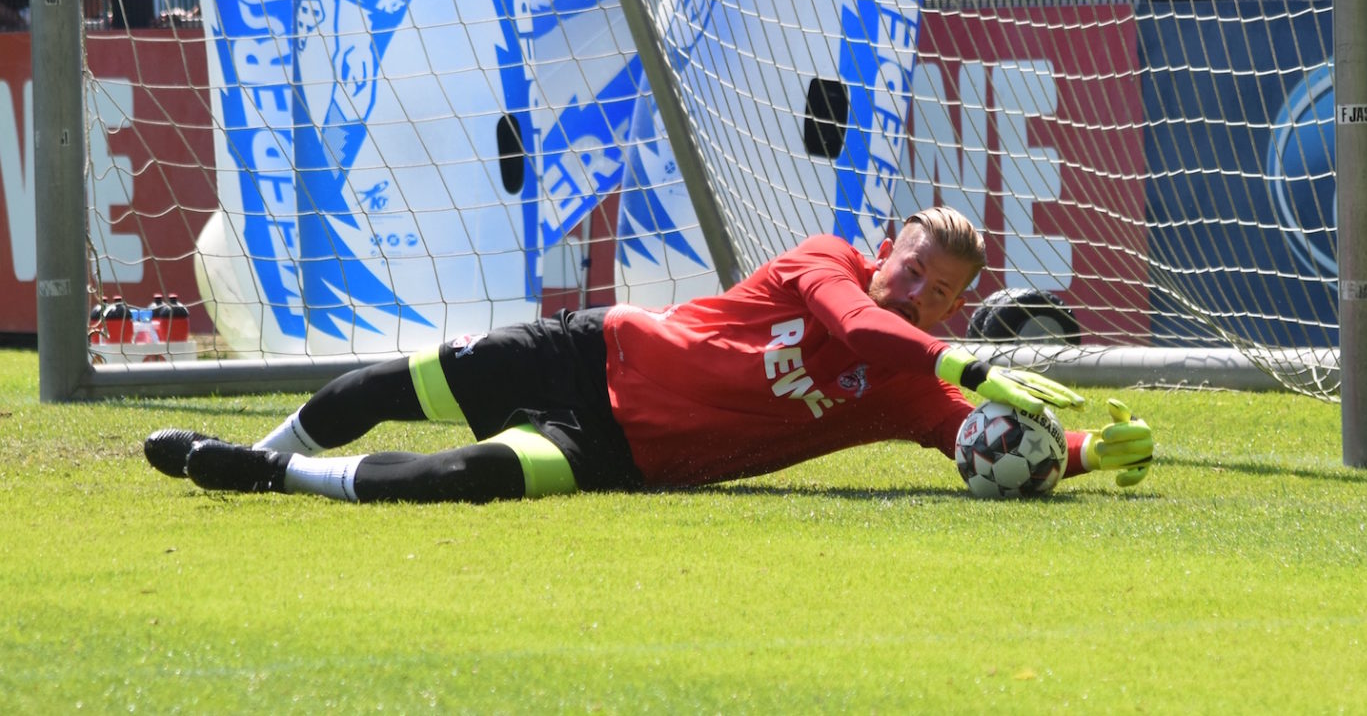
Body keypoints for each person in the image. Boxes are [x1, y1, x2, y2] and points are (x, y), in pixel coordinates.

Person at [144, 206, 1154, 502]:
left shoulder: (907, 380)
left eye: (943, 300)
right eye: (917, 274)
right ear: (888, 245)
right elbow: (851, 321)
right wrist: (963, 361)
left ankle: (275, 475)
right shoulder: (824, 262)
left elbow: (969, 439)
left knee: (461, 478)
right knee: (387, 385)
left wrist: (1075, 453)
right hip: (592, 354)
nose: (922, 299)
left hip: (624, 453)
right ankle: (257, 438)